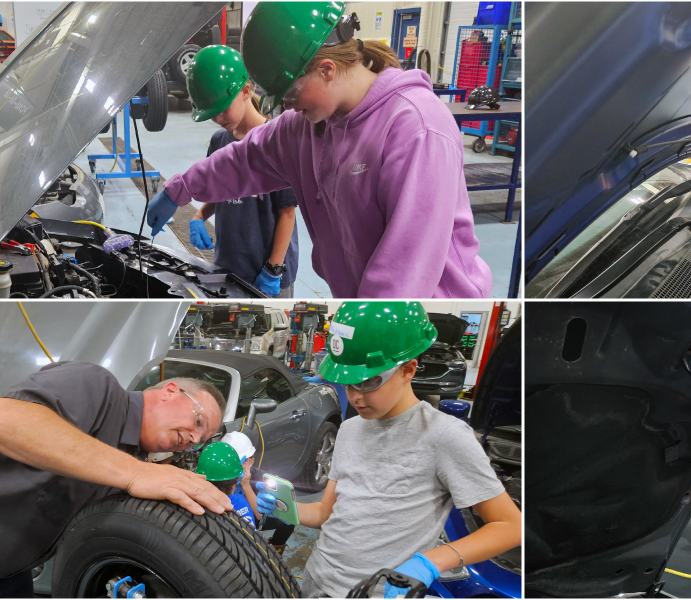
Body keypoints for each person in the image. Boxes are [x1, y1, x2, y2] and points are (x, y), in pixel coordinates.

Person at [144, 2, 491, 298]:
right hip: (362, 302)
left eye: (291, 95)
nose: (291, 107)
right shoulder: (305, 127)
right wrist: (180, 189)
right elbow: (244, 160)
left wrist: (359, 338)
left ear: (326, 70)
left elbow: (407, 266)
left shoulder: (415, 127)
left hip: (419, 310)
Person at [252, 301, 521, 597]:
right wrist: (291, 509)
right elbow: (327, 511)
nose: (355, 396)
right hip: (318, 581)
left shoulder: (444, 436)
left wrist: (430, 562)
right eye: (348, 383)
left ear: (408, 370)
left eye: (368, 382)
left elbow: (509, 525)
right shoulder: (351, 429)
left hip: (379, 592)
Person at [0, 362, 234, 597]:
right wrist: (138, 473)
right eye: (197, 421)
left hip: (5, 577)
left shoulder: (131, 462)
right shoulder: (97, 387)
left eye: (200, 439)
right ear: (169, 393)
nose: (193, 438)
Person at [180, 45, 301, 298]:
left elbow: (287, 214)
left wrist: (273, 269)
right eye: (212, 113)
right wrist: (199, 215)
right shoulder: (218, 142)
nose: (219, 118)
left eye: (223, 108)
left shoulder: (276, 143)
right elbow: (218, 189)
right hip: (227, 265)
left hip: (266, 271)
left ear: (246, 90)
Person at [220, 431, 297, 553]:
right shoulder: (219, 475)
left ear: (251, 461)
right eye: (234, 462)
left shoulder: (260, 478)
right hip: (225, 516)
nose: (238, 466)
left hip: (252, 516)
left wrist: (245, 484)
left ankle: (276, 551)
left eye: (243, 461)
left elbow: (260, 516)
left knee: (288, 522)